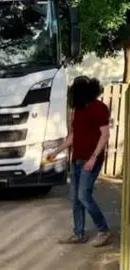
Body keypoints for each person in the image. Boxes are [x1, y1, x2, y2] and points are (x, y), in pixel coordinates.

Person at [48, 76, 111, 247]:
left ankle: (103, 230)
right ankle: (79, 233)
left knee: (84, 196)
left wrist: (92, 158)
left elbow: (105, 135)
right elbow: (73, 136)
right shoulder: (78, 109)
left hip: (91, 160)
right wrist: (56, 151)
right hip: (76, 159)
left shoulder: (99, 108)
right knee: (75, 199)